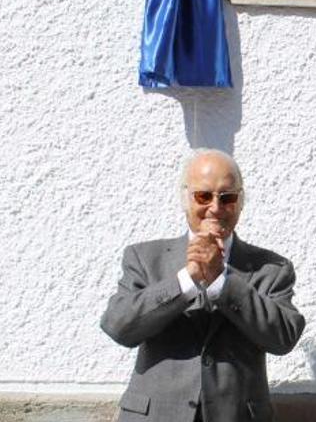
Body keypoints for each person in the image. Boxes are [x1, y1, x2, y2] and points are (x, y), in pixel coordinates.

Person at [101, 149, 305, 422]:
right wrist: (186, 280)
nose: (215, 207)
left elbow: (282, 338)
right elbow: (119, 326)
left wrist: (222, 281)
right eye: (203, 196)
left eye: (227, 197)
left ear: (241, 201)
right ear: (185, 198)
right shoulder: (144, 258)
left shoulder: (271, 268)